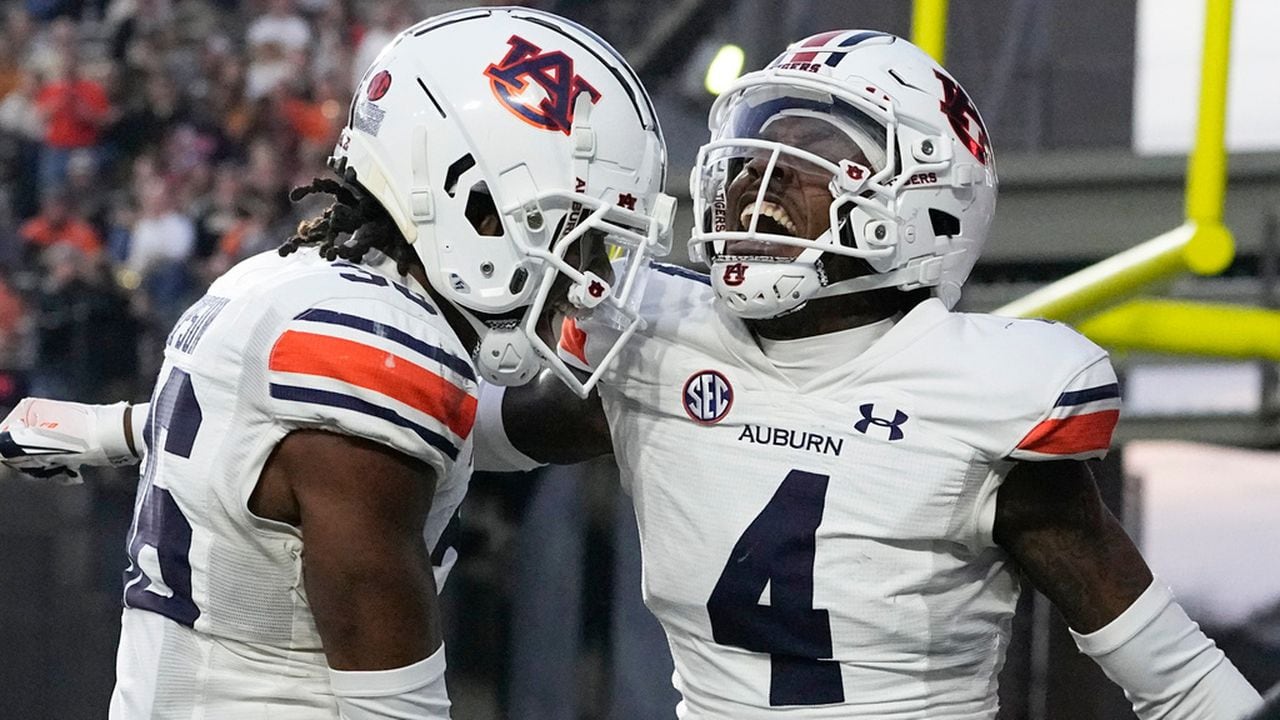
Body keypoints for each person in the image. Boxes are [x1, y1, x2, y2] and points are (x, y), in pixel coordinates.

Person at [4, 29, 1259, 720]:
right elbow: (471, 426)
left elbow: (1124, 622)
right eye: (752, 158)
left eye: (808, 164)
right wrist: (138, 428)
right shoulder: (655, 333)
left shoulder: (989, 387)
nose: (757, 189)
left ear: (920, 199)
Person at [2, 6, 672, 719]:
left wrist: (124, 429)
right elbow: (393, 707)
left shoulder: (278, 284)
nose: (583, 279)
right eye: (574, 238)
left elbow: (251, 435)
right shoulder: (371, 359)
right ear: (474, 202)